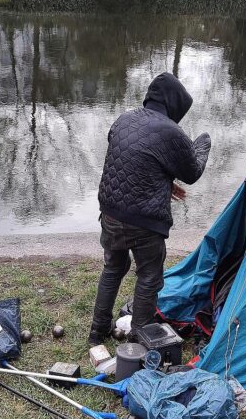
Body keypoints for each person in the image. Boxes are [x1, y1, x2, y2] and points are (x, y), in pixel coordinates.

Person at [89, 73, 212, 345]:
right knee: (149, 275)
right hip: (144, 220)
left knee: (114, 266)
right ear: (174, 104)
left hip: (110, 212)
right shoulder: (171, 131)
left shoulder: (123, 119)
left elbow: (135, 161)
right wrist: (203, 143)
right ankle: (138, 337)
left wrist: (163, 182)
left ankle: (97, 331)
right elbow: (191, 172)